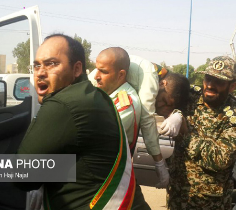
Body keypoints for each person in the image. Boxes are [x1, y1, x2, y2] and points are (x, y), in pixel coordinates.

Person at [16, 34, 135, 210]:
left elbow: (22, 175)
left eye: (52, 64)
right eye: (37, 65)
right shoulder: (95, 96)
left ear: (77, 69)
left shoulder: (64, 103)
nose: (40, 72)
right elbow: (84, 165)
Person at [167, 56, 236, 210]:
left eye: (218, 82)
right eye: (208, 79)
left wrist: (186, 137)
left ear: (232, 86)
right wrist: (177, 114)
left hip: (209, 202)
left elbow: (221, 159)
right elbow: (166, 93)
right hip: (177, 192)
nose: (210, 86)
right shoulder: (191, 97)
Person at [89, 55, 182, 189]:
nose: (162, 107)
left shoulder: (125, 96)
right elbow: (147, 119)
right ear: (163, 84)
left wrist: (178, 113)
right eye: (165, 101)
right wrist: (159, 162)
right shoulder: (129, 101)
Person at [94, 47, 150, 210]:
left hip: (107, 181)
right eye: (97, 69)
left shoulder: (124, 103)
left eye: (103, 72)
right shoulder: (106, 94)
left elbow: (91, 141)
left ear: (121, 75)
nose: (97, 76)